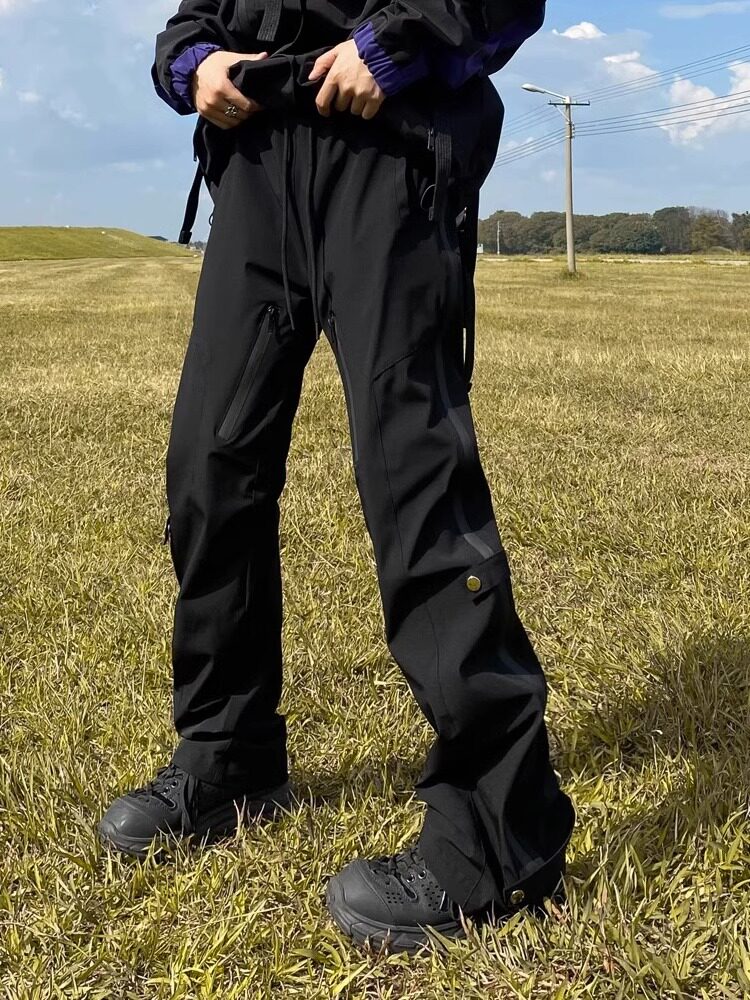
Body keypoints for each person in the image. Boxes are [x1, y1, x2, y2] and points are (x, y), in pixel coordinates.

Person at [99, 0, 575, 952]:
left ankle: (498, 837)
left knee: (415, 484)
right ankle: (229, 754)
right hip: (258, 165)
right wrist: (193, 66)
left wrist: (392, 48)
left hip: (391, 149)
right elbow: (194, 18)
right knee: (209, 467)